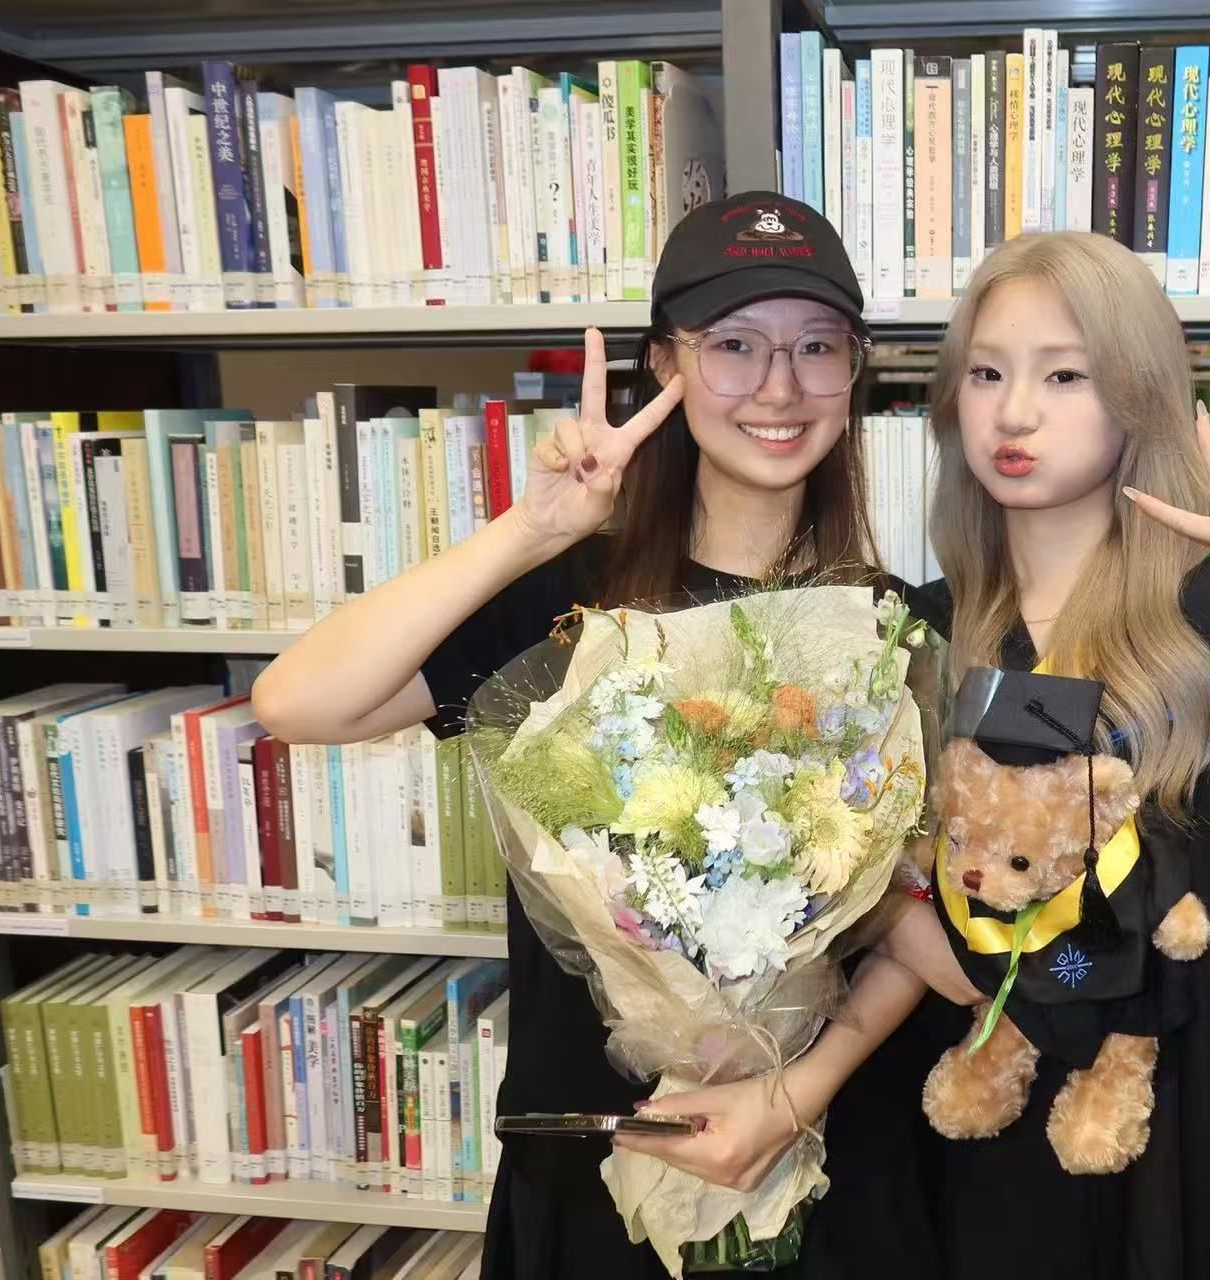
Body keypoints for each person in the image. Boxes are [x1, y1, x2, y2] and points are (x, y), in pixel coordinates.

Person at [632, 230, 1210, 1279]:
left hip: (1182, 1130)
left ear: (1138, 396)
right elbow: (867, 895)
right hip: (967, 1124)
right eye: (987, 374)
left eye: (1065, 375)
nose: (1016, 412)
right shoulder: (916, 636)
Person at [252, 192, 945, 1280]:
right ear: (665, 363)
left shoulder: (890, 630)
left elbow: (923, 918)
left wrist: (785, 1095)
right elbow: (299, 702)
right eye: (734, 346)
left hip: (826, 1168)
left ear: (854, 372)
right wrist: (531, 530)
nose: (779, 386)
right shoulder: (568, 602)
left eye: (817, 347)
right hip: (595, 1167)